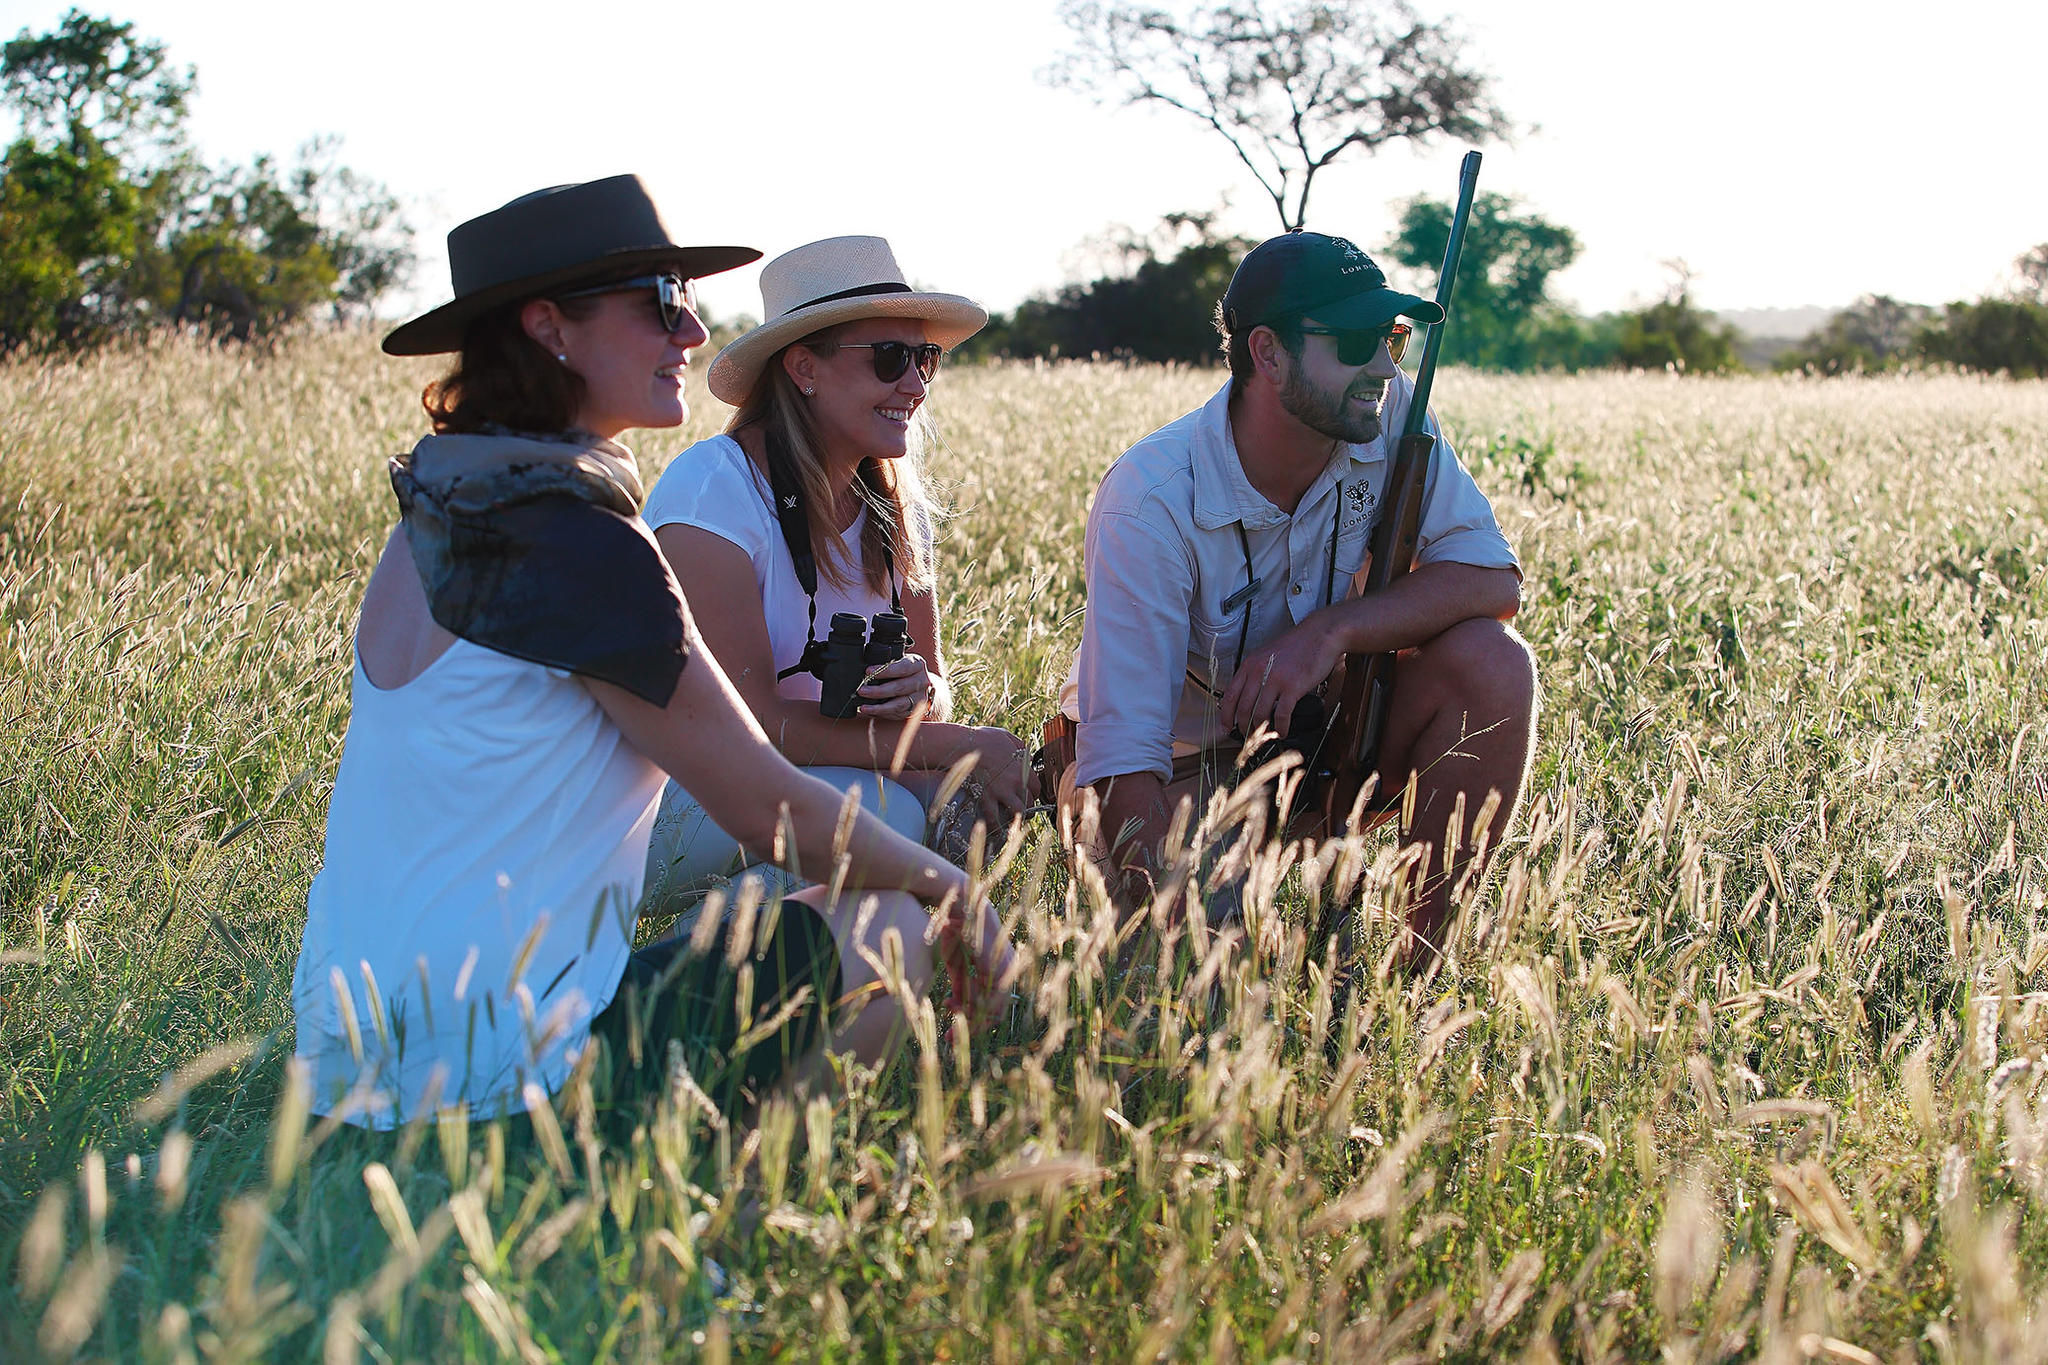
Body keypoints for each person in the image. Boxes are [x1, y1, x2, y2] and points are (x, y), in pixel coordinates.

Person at [290, 177, 1010, 1130]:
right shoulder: (575, 539)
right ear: (550, 327)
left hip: (354, 1062)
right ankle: (708, 1222)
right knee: (900, 927)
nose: (692, 335)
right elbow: (763, 801)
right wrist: (958, 888)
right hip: (501, 1077)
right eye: (662, 303)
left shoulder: (442, 507)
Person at [1052, 229, 1538, 960]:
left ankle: (1419, 968)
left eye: (1393, 337)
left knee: (1495, 663)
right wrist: (1171, 934)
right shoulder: (1150, 498)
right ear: (1267, 353)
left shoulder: (1392, 410)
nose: (1381, 364)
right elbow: (1125, 761)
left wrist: (1330, 632)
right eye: (1352, 339)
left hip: (1325, 748)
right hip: (1177, 777)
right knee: (1194, 966)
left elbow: (1493, 580)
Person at [638, 236, 1032, 910]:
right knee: (892, 816)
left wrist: (923, 694)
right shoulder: (713, 490)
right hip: (671, 797)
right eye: (889, 358)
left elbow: (932, 692)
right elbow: (754, 723)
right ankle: (687, 974)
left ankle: (760, 974)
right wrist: (958, 744)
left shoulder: (897, 508)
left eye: (924, 358)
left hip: (807, 784)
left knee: (937, 810)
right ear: (803, 369)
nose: (914, 384)